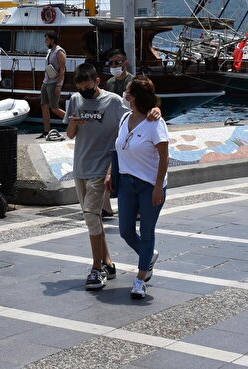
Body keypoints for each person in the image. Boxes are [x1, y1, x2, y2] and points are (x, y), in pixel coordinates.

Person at [64, 62, 127, 291]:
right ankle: (108, 263)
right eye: (81, 88)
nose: (84, 92)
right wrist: (74, 122)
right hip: (80, 166)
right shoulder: (75, 100)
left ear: (97, 82)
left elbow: (129, 125)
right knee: (93, 217)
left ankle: (96, 268)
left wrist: (153, 112)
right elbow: (70, 135)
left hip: (102, 167)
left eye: (88, 88)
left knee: (91, 216)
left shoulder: (113, 102)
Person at [111, 75, 170, 300]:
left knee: (147, 231)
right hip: (127, 182)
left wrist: (157, 186)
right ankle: (149, 255)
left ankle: (140, 279)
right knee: (125, 230)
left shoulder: (156, 123)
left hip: (149, 185)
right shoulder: (125, 118)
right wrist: (111, 173)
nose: (125, 94)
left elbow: (164, 157)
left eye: (128, 91)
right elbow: (118, 148)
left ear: (135, 96)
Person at [38, 30, 67, 141]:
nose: (45, 42)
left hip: (54, 83)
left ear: (52, 40)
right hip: (46, 82)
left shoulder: (59, 52)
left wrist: (59, 86)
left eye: (47, 40)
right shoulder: (50, 51)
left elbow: (62, 70)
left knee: (54, 108)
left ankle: (73, 122)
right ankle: (46, 131)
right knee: (43, 105)